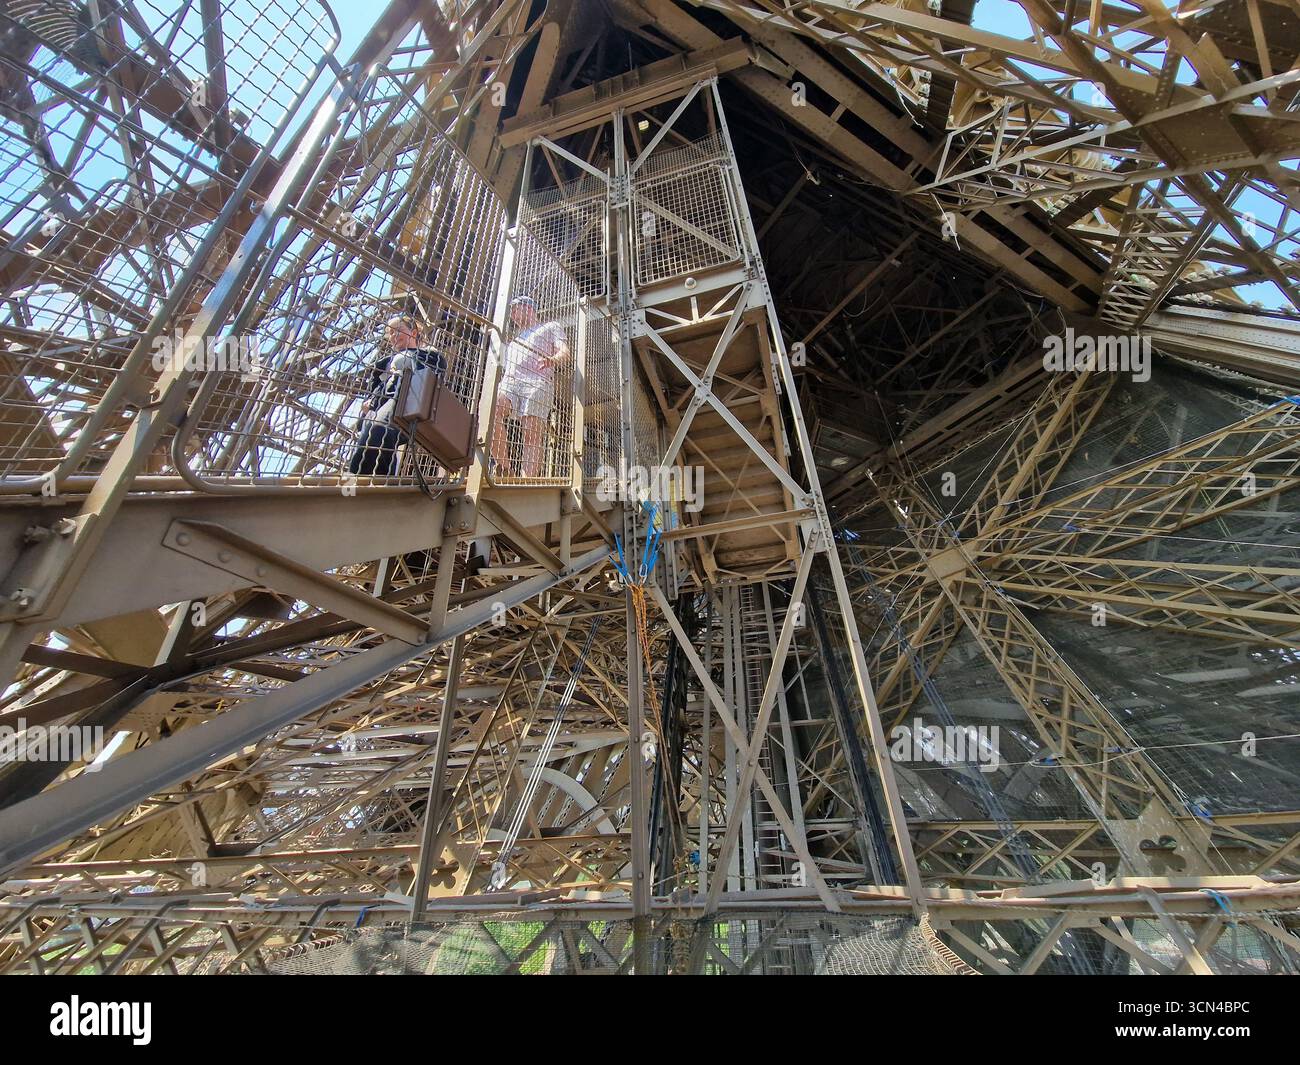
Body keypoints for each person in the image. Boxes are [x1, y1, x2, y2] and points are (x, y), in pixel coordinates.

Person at [348, 314, 446, 477]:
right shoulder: (381, 365)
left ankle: (359, 483)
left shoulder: (429, 354)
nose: (392, 336)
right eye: (390, 333)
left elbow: (433, 375)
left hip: (405, 401)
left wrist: (405, 359)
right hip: (378, 409)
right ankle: (378, 482)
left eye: (397, 331)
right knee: (376, 441)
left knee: (379, 431)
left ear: (413, 333)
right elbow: (373, 392)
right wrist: (366, 407)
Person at [493, 295, 570, 478]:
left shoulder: (550, 326)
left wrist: (553, 360)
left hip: (537, 382)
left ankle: (526, 479)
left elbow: (565, 352)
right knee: (492, 411)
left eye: (514, 308)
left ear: (529, 307)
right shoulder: (514, 339)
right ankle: (505, 469)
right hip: (511, 382)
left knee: (531, 434)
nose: (511, 314)